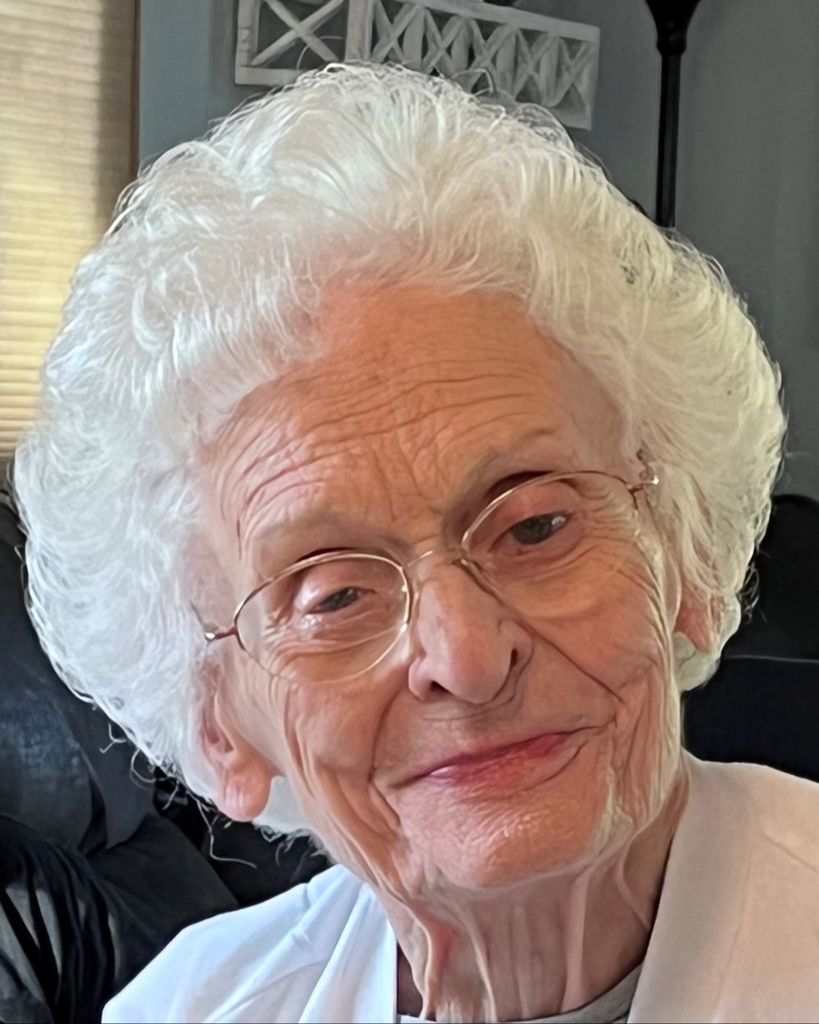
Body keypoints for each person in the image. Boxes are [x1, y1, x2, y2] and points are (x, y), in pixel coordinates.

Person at [11, 62, 814, 1023]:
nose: (465, 659)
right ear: (220, 725)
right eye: (334, 596)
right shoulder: (192, 1008)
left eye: (535, 526)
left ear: (683, 552)